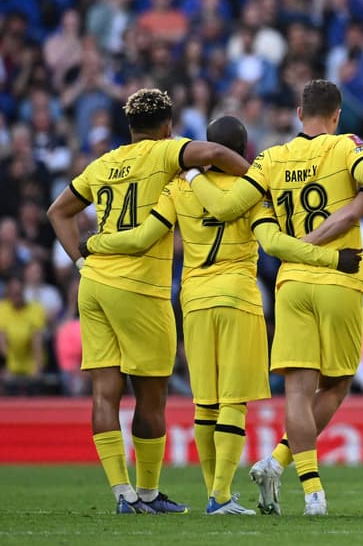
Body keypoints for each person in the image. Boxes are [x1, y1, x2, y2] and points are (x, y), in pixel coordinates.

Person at [183, 80, 363, 516]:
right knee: (336, 385)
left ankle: (312, 492)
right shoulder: (346, 147)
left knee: (297, 390)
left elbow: (228, 206)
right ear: (336, 115)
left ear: (299, 114)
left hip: (291, 282)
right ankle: (283, 467)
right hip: (339, 279)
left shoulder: (271, 157)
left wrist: (194, 174)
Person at [83, 116, 358, 515]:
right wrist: (330, 258)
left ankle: (214, 495)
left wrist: (94, 243)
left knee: (205, 404)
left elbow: (142, 237)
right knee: (233, 401)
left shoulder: (179, 187)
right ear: (243, 151)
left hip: (193, 300)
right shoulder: (252, 190)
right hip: (237, 297)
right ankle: (221, 496)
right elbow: (273, 243)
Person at [46, 89, 251, 514]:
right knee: (151, 395)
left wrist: (80, 262)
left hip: (94, 285)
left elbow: (57, 212)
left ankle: (121, 493)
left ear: (129, 127)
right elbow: (216, 151)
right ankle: (147, 492)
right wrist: (256, 182)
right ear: (168, 126)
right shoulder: (165, 151)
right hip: (139, 287)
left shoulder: (103, 163)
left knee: (105, 391)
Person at [0, 275, 47, 391]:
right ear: (8, 293)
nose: (16, 297)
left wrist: (37, 367)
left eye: (19, 293)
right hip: (10, 365)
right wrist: (4, 368)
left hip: (31, 364)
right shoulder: (2, 309)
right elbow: (2, 342)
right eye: (13, 293)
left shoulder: (35, 310)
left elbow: (37, 342)